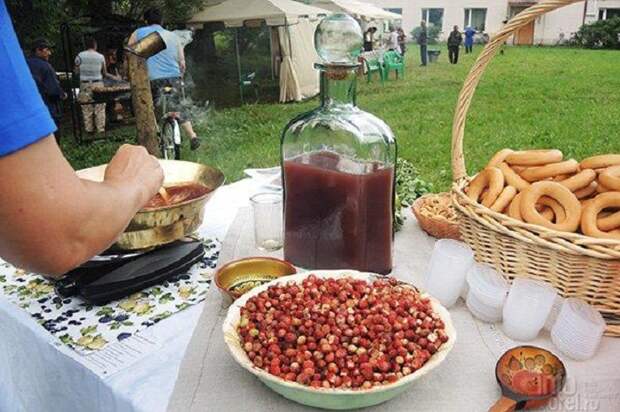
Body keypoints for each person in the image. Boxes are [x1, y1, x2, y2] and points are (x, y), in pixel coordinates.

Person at [0, 2, 164, 278]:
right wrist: (133, 183)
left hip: (84, 87)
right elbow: (59, 235)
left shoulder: (76, 58)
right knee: (98, 112)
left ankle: (93, 130)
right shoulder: (101, 56)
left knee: (90, 111)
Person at [129, 8, 201, 151]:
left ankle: (155, 133)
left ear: (145, 20)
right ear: (162, 21)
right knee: (178, 105)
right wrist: (180, 75)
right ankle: (192, 135)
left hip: (152, 79)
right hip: (173, 78)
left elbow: (130, 53)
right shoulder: (173, 36)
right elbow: (182, 63)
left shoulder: (138, 33)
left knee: (151, 107)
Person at [74, 37, 119, 135]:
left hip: (84, 84)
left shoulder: (79, 56)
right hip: (98, 83)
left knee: (86, 107)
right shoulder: (100, 57)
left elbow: (76, 71)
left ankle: (89, 130)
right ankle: (100, 129)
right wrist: (116, 78)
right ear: (95, 45)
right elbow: (105, 73)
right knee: (100, 106)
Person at [26, 38, 66, 142]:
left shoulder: (24, 65)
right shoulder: (45, 67)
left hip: (30, 111)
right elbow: (53, 90)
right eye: (47, 50)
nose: (50, 53)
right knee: (53, 141)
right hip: (49, 110)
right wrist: (62, 94)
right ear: (38, 50)